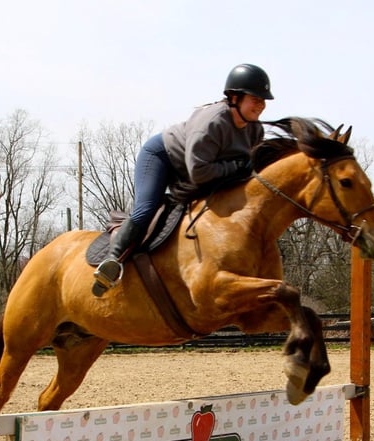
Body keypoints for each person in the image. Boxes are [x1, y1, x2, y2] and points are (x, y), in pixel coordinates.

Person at [92, 63, 274, 296]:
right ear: (235, 98)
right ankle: (112, 261)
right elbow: (200, 172)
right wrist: (238, 166)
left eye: (263, 100)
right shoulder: (213, 121)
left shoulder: (255, 130)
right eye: (255, 99)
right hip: (162, 158)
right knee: (146, 209)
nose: (261, 105)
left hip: (196, 169)